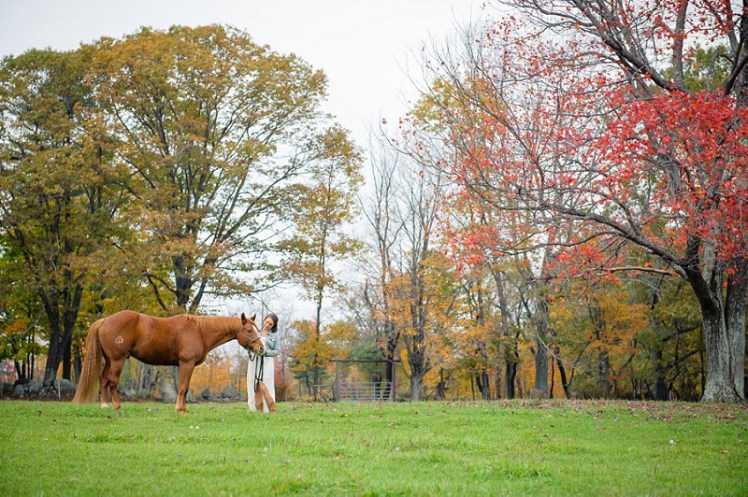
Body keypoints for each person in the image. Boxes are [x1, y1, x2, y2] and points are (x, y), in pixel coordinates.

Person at [247, 312, 280, 413]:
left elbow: (276, 351)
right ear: (264, 320)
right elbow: (248, 345)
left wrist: (266, 353)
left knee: (265, 385)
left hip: (266, 362)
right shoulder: (255, 332)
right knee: (254, 385)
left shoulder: (274, 336)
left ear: (273, 326)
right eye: (267, 322)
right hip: (254, 362)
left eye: (270, 324)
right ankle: (256, 410)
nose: (267, 325)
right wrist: (252, 351)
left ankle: (271, 409)